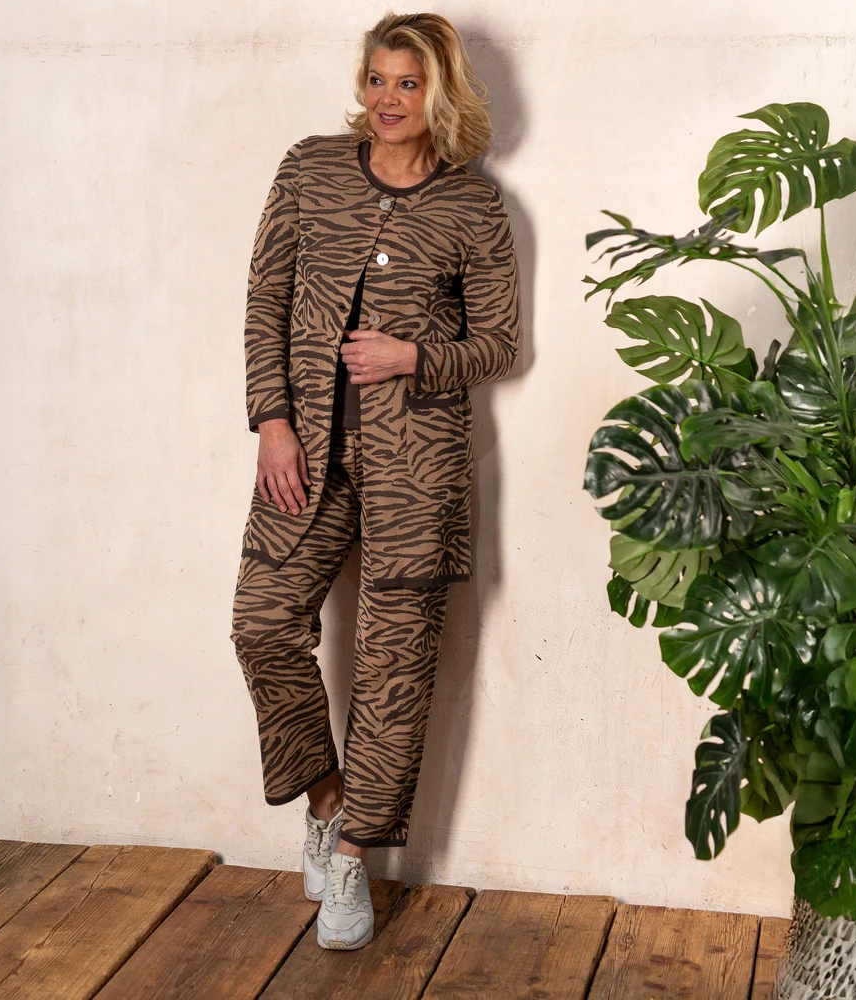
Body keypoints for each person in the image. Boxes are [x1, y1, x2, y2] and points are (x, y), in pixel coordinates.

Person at [232, 11, 520, 951]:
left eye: (409, 83)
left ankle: (353, 859)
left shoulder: (474, 206)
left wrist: (413, 356)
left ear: (440, 93)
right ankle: (327, 800)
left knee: (393, 670)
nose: (388, 99)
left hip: (417, 472)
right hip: (304, 457)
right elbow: (267, 297)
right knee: (263, 623)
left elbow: (500, 343)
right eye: (377, 79)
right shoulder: (310, 169)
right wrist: (273, 421)